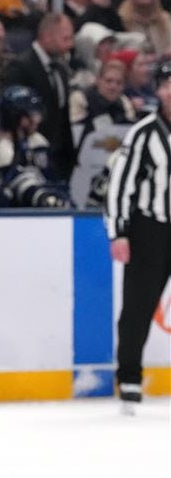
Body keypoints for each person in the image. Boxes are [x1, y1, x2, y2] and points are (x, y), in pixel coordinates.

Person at [105, 60, 171, 414]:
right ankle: (129, 378)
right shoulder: (144, 133)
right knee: (138, 306)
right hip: (151, 229)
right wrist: (119, 231)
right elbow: (121, 184)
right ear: (159, 91)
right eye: (168, 85)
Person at [2, 12, 77, 180]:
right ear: (47, 37)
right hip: (29, 156)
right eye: (66, 39)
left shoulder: (61, 69)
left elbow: (63, 116)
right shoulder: (20, 67)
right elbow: (12, 114)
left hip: (59, 159)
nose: (70, 45)